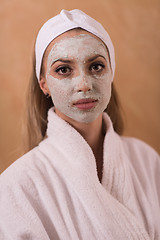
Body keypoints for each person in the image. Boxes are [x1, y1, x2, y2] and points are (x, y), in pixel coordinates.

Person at [0, 9, 159, 240]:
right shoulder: (14, 188)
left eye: (96, 66)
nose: (84, 84)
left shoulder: (147, 160)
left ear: (111, 73)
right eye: (63, 70)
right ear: (44, 84)